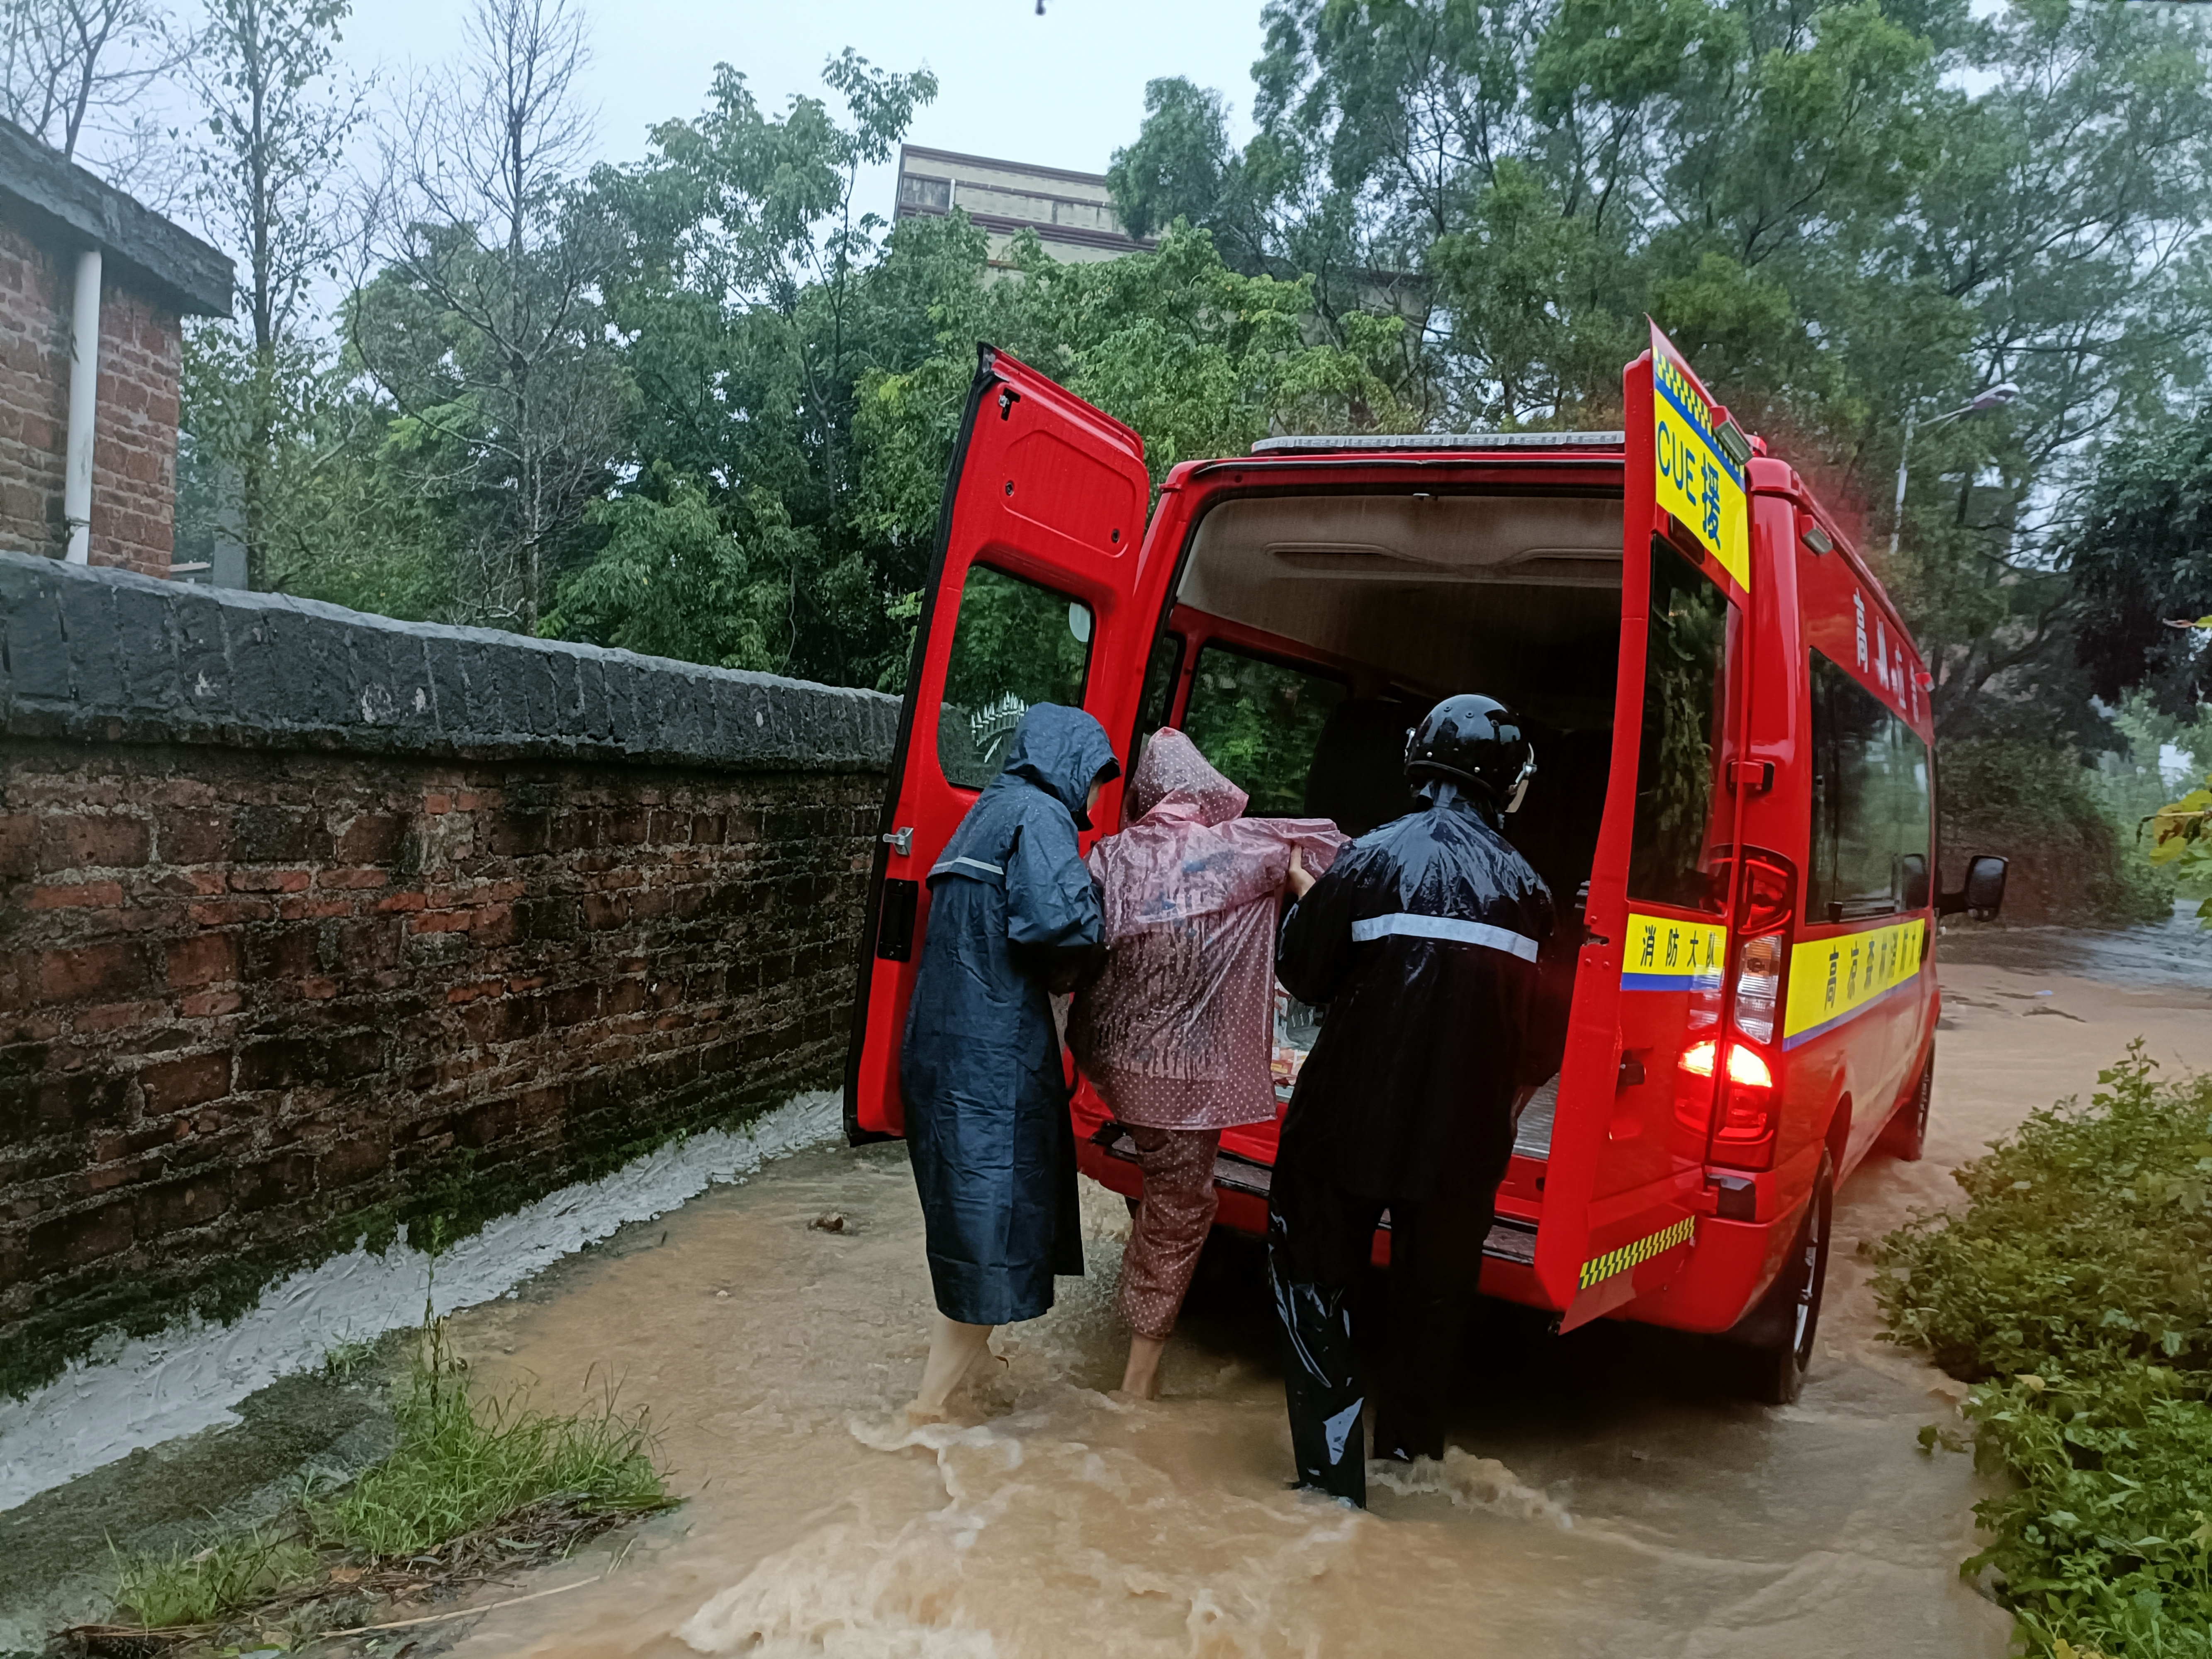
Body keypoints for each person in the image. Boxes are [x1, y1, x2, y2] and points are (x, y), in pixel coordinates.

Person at [1266, 693, 1555, 1505]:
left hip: (1345, 1126)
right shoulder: (1532, 895)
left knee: (1315, 1287)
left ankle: (1329, 1488)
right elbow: (1538, 1045)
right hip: (1461, 1145)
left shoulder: (1366, 861)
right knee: (1433, 1304)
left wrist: (1304, 892)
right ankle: (1410, 1465)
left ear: (1416, 761)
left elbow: (1304, 976)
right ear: (1508, 783)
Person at [1067, 730, 1345, 1400]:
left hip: (1113, 1066)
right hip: (1189, 1081)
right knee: (1179, 1213)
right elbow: (1328, 859)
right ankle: (1137, 1387)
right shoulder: (1240, 852)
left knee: (1160, 1193)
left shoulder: (1109, 857)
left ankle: (1127, 1312)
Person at [899, 702, 1122, 1423]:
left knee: (971, 1230)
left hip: (943, 1053)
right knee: (992, 1234)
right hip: (994, 1063)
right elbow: (1062, 924)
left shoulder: (987, 812)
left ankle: (962, 1387)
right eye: (1094, 778)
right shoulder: (1041, 818)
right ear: (1071, 767)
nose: (1095, 798)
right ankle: (926, 1409)